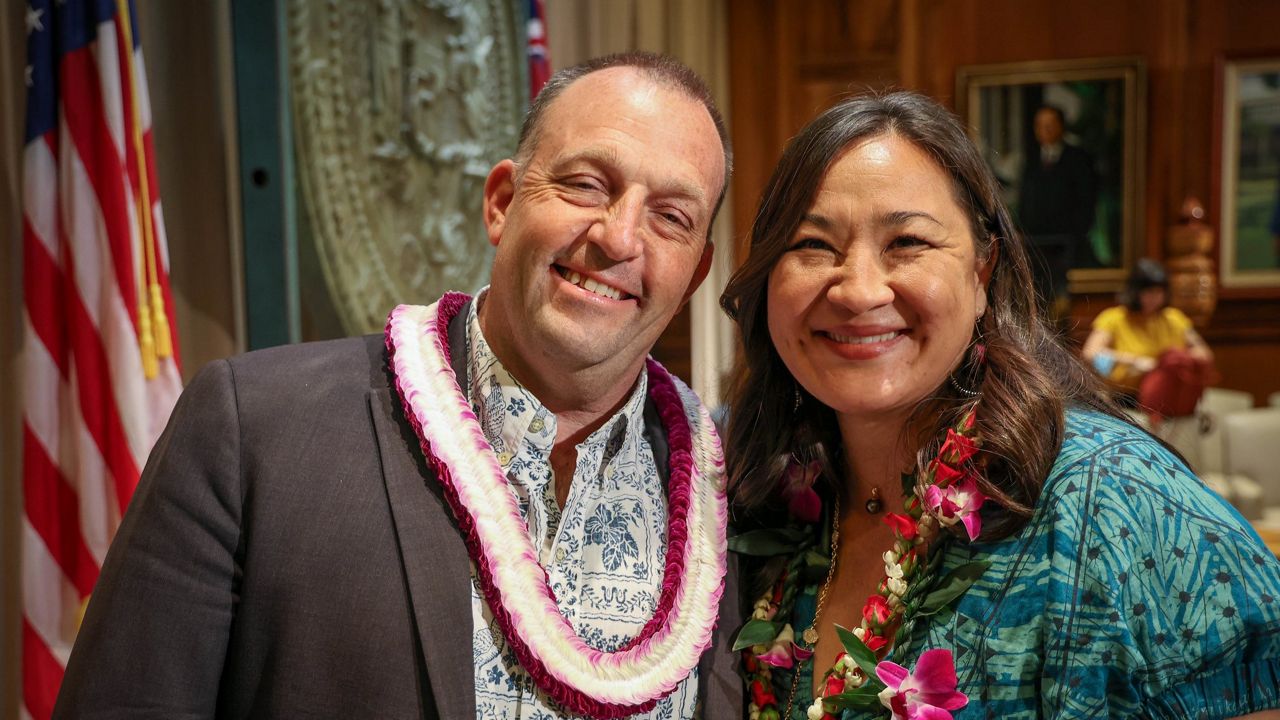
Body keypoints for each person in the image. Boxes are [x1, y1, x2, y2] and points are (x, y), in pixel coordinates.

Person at [53, 52, 741, 720]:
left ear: (697, 273)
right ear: (502, 201)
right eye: (587, 184)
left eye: (671, 217)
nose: (620, 238)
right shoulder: (253, 430)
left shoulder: (731, 498)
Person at [719, 91, 1280, 719]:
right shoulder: (758, 504)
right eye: (812, 244)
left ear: (983, 275)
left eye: (907, 242)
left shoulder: (1116, 497)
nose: (859, 290)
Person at [1082, 257, 1214, 403]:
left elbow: (1204, 353)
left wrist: (1175, 361)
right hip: (1124, 398)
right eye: (1148, 293)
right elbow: (1091, 355)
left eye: (1159, 293)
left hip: (1167, 397)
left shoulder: (1174, 319)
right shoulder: (1113, 318)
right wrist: (1134, 361)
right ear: (1135, 292)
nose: (1155, 298)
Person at [1016, 105, 1097, 310]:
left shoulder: (1078, 159)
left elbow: (1086, 201)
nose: (1046, 130)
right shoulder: (1031, 160)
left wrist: (1076, 232)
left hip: (1067, 242)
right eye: (1041, 125)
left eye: (1050, 125)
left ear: (1061, 127)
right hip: (1035, 243)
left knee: (1062, 300)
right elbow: (1025, 200)